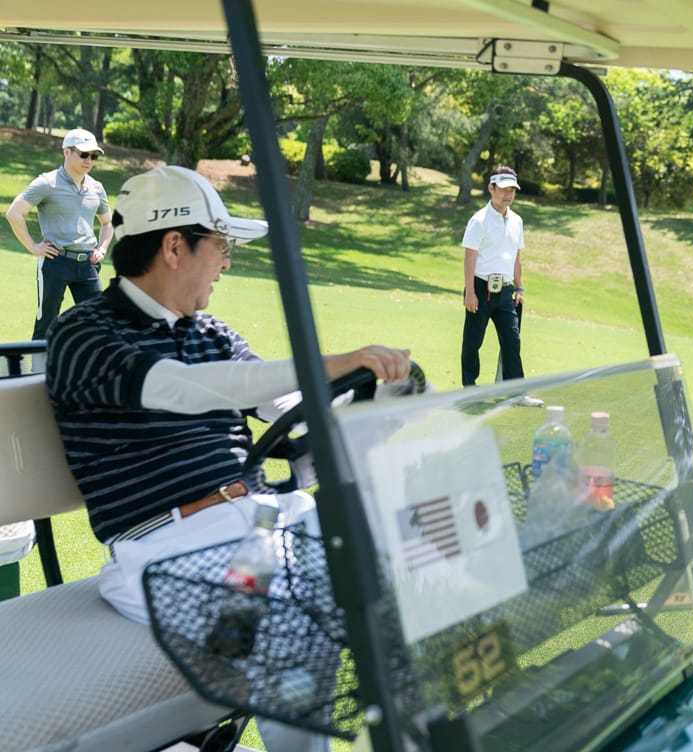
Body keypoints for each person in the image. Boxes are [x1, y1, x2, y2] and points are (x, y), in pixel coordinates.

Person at [44, 165, 412, 752]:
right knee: (291, 630)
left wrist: (379, 395)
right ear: (173, 246)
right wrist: (335, 362)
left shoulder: (214, 334)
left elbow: (286, 405)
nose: (226, 262)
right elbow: (182, 389)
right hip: (171, 547)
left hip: (263, 523)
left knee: (398, 583)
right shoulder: (85, 332)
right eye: (220, 246)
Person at [5, 129, 114, 344]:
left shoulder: (96, 188)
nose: (89, 160)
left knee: (99, 324)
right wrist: (33, 247)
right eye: (84, 154)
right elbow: (14, 213)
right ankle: (37, 375)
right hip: (55, 262)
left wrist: (102, 249)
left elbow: (108, 222)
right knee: (45, 324)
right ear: (66, 152)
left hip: (88, 265)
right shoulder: (47, 182)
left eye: (94, 156)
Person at [460, 165, 542, 405]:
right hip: (480, 287)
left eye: (512, 190)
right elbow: (470, 258)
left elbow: (516, 258)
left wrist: (519, 288)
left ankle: (516, 392)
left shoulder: (517, 221)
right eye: (503, 189)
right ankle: (469, 388)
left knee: (512, 341)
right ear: (491, 188)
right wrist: (470, 293)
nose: (508, 195)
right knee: (474, 341)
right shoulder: (478, 221)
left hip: (506, 291)